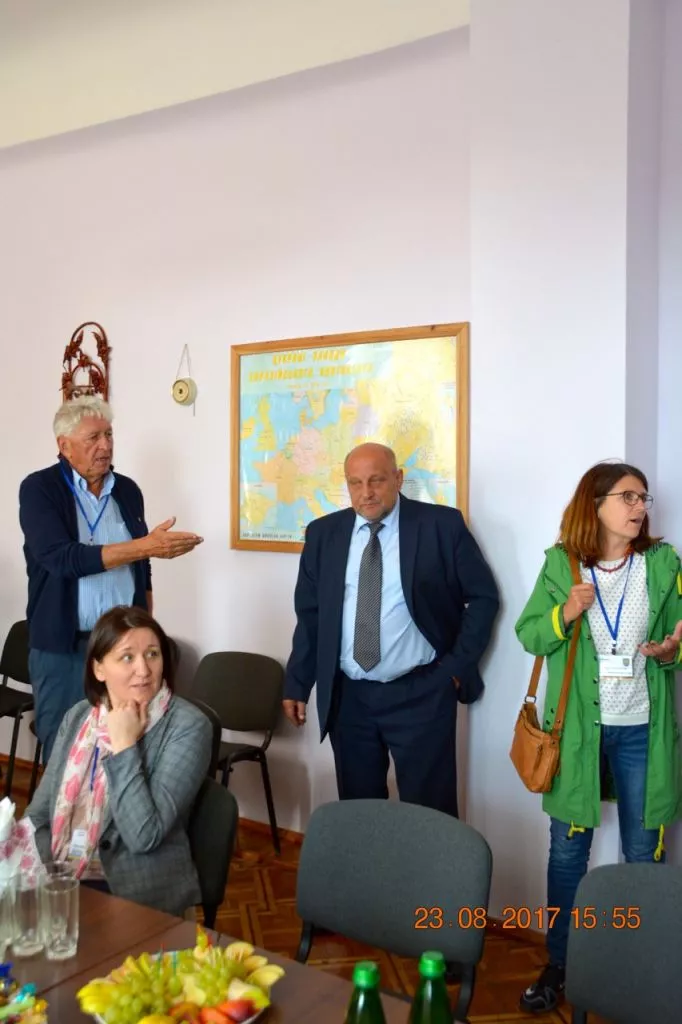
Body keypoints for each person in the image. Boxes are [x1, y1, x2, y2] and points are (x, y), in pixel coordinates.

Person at [516, 462, 682, 1014]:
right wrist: (566, 611)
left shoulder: (663, 564)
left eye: (643, 497)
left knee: (643, 852)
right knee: (568, 852)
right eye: (627, 496)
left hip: (642, 733)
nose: (639, 507)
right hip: (577, 737)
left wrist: (671, 650)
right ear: (596, 504)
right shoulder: (560, 564)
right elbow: (529, 634)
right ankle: (561, 962)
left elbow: (679, 638)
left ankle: (639, 964)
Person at [283, 442, 499, 816]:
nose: (366, 492)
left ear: (398, 479)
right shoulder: (323, 534)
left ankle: (432, 861)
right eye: (355, 483)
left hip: (420, 693)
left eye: (377, 480)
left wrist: (453, 669)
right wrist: (297, 682)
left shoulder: (441, 526)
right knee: (360, 813)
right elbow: (311, 615)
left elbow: (483, 598)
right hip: (349, 699)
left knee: (430, 816)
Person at [19, 395, 203, 763]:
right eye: (93, 438)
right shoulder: (40, 489)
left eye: (109, 435)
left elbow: (141, 565)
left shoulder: (127, 490)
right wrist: (144, 546)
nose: (105, 446)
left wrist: (144, 617)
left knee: (124, 747)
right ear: (64, 445)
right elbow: (62, 558)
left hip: (122, 648)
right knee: (64, 751)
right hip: (64, 648)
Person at [25, 605, 212, 917]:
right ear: (99, 669)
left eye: (152, 654)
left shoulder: (188, 726)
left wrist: (125, 745)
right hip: (64, 877)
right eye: (127, 657)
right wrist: (55, 876)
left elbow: (144, 836)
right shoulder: (79, 717)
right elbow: (39, 815)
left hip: (137, 897)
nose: (144, 669)